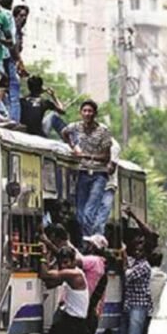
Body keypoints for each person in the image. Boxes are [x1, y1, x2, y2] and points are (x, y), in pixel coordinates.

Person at [61, 100, 112, 237]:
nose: (87, 114)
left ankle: (87, 241)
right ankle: (85, 239)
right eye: (85, 111)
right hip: (82, 172)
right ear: (81, 113)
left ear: (95, 114)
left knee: (89, 212)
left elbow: (106, 157)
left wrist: (85, 155)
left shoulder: (103, 131)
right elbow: (64, 132)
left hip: (99, 174)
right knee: (79, 213)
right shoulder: (75, 126)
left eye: (90, 111)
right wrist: (72, 146)